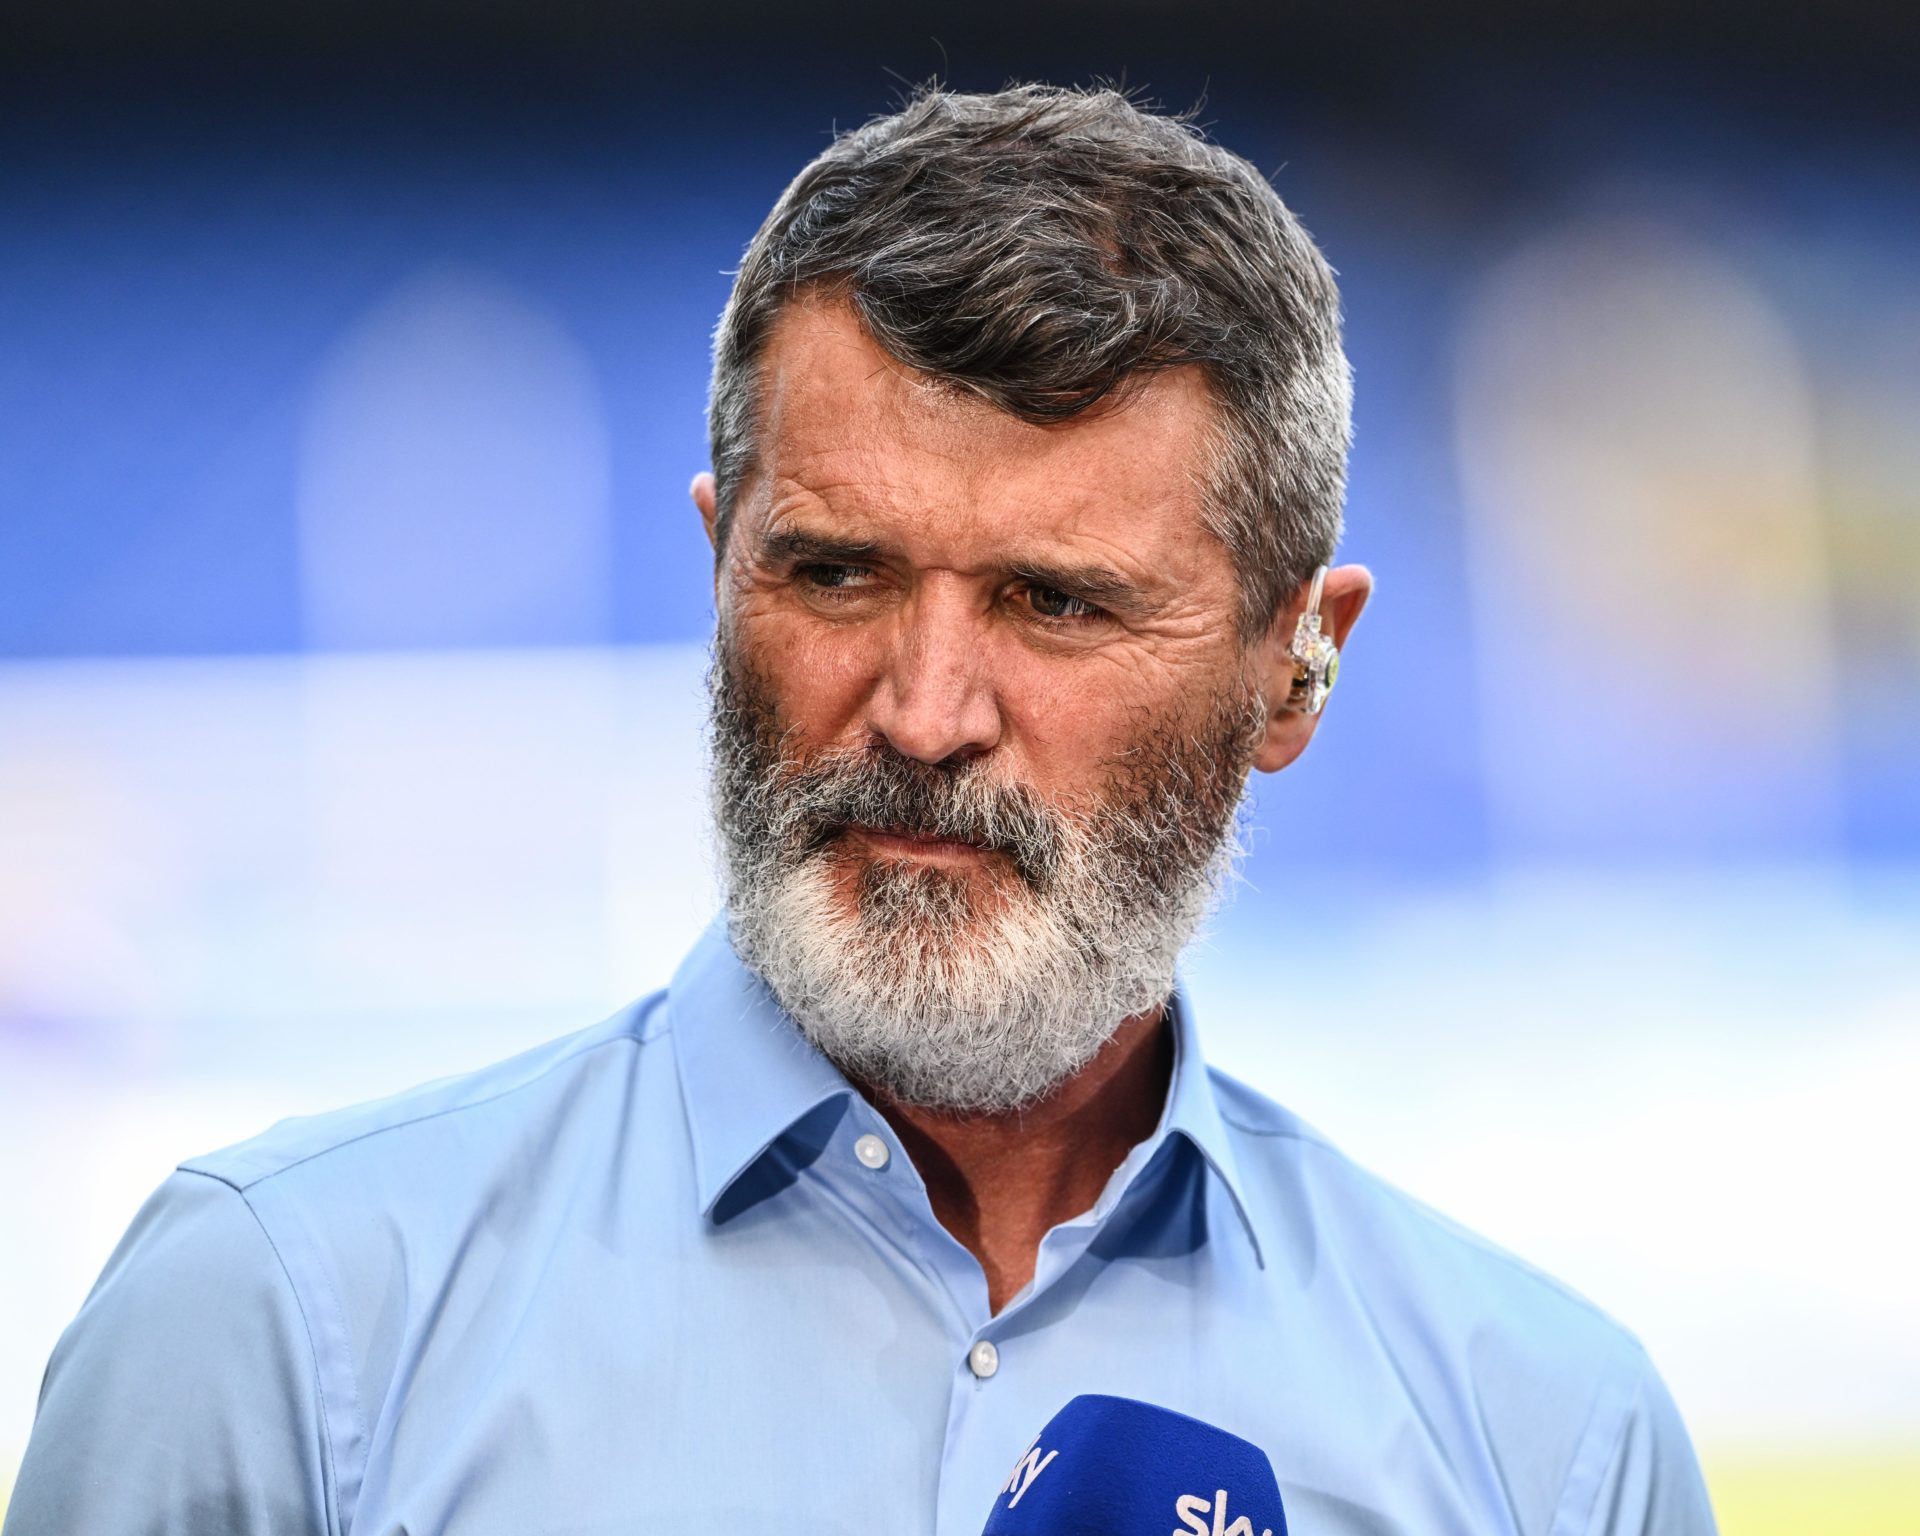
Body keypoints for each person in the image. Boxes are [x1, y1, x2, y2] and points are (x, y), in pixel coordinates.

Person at [4, 83, 1718, 1535]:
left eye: (1055, 603)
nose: (922, 712)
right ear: (717, 567)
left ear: (1296, 668)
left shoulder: (1547, 1449)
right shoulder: (276, 1325)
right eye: (831, 574)